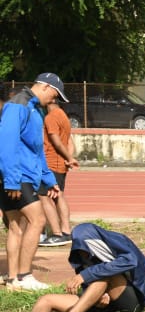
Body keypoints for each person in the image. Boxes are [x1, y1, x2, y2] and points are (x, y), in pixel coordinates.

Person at [0, 223, 145, 312]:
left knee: (103, 276)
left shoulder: (115, 240)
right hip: (102, 303)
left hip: (130, 302)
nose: (83, 254)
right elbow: (89, 282)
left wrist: (87, 275)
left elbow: (134, 261)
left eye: (85, 248)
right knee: (47, 299)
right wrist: (97, 296)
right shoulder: (81, 254)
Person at [0, 73, 67, 290]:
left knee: (16, 226)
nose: (55, 100)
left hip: (22, 176)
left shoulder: (34, 108)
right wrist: (11, 180)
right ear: (46, 87)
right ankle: (25, 275)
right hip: (18, 177)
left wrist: (49, 180)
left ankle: (12, 279)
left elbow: (36, 150)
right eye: (55, 94)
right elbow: (6, 143)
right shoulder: (19, 105)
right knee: (37, 221)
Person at [39, 102, 79, 246]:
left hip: (50, 163)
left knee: (44, 197)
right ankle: (66, 231)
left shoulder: (50, 117)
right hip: (60, 164)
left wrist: (69, 158)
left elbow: (56, 141)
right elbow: (70, 141)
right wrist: (68, 157)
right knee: (59, 195)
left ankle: (56, 233)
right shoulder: (63, 116)